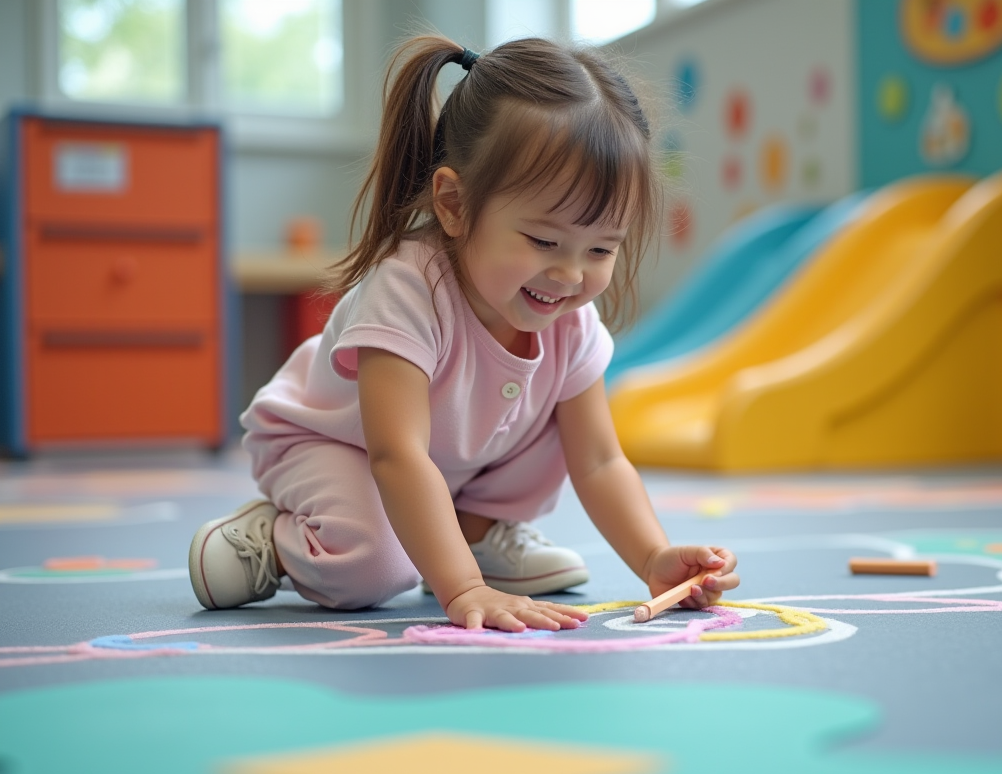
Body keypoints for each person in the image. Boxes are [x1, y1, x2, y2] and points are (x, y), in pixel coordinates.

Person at [188, 34, 740, 632]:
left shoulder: (569, 316)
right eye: (544, 241)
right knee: (374, 570)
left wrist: (653, 558)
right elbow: (396, 455)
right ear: (453, 203)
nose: (570, 274)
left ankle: (468, 534)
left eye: (601, 248)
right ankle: (277, 536)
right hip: (334, 445)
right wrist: (465, 590)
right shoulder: (407, 289)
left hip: (451, 470)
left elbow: (601, 462)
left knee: (563, 422)